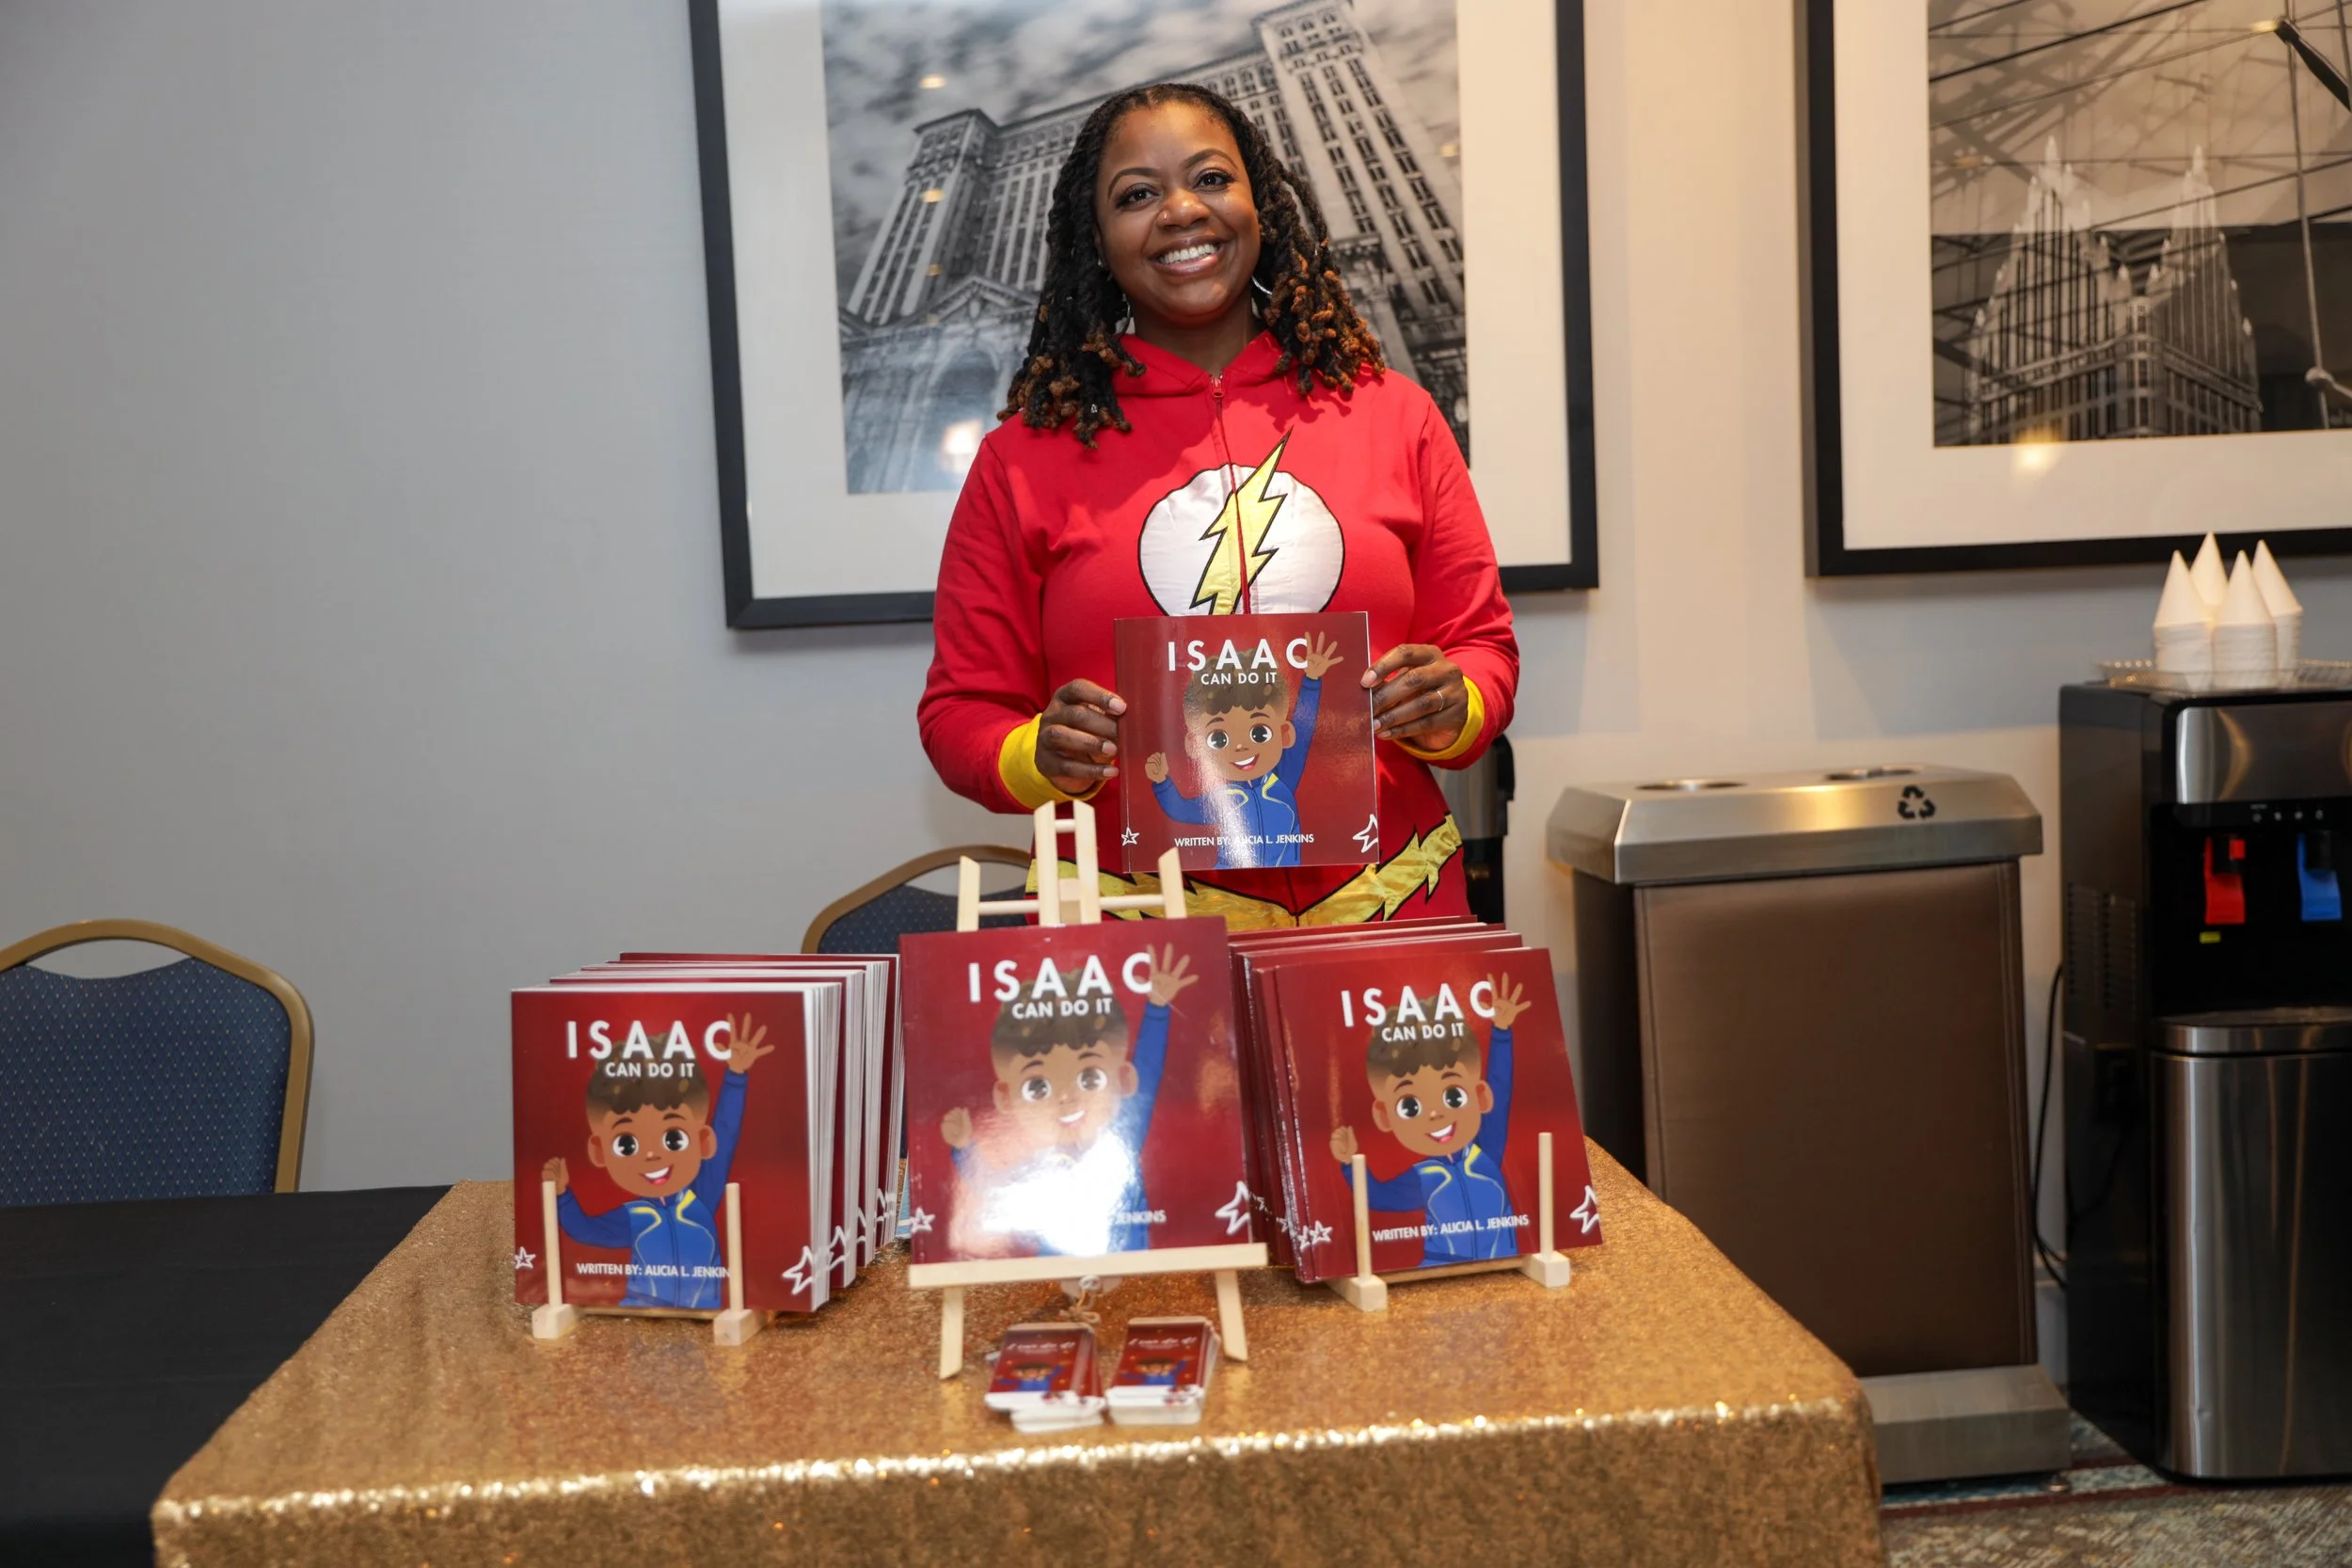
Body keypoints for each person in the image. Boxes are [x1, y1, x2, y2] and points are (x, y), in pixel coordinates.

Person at [918, 80, 1517, 929]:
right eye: (1137, 195)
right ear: (1097, 239)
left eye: (1210, 179)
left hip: (1389, 914)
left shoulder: (1396, 415)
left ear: (1258, 204)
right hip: (1136, 947)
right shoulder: (1021, 458)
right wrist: (1035, 752)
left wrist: (1457, 703)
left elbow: (1483, 645)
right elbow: (960, 712)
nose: (1181, 211)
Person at [940, 949, 1197, 1256]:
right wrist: (964, 1147)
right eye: (1038, 1087)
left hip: (1133, 1275)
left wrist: (1157, 1008)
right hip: (1054, 1278)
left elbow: (1149, 1068)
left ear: (1125, 1080)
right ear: (1006, 1100)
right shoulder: (1035, 1163)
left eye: (1089, 1079)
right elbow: (997, 1190)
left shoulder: (1125, 1131)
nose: (1066, 1098)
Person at [543, 1014, 774, 1308]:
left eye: (673, 1139)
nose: (651, 1156)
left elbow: (726, 1134)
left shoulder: (703, 1195)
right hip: (642, 1320)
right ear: (600, 1152)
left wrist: (736, 1077)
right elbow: (586, 1230)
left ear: (704, 1141)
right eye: (627, 1144)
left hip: (704, 1317)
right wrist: (562, 1196)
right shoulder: (634, 1216)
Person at [1329, 974, 1529, 1267]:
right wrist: (1349, 1164)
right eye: (1410, 1106)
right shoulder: (1424, 1177)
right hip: (1439, 1275)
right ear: (1385, 1116)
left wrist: (1501, 1032)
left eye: (1453, 1097)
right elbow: (1377, 1196)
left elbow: (1501, 1088)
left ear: (1480, 1096)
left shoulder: (1487, 1149)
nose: (1435, 1114)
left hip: (1502, 1266)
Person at [1145, 631, 1340, 869]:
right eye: (1219, 738)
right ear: (1195, 746)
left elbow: (1304, 729)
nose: (1241, 747)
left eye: (1259, 733)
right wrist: (1162, 782)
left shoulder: (1283, 779)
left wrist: (1311, 681)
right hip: (1221, 885)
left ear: (1284, 734)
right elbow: (1181, 810)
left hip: (1294, 878)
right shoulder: (1222, 799)